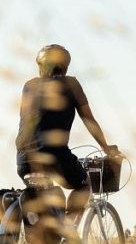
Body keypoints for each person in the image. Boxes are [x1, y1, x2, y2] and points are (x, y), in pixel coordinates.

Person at [15, 44, 118, 223]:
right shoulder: (71, 84)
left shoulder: (29, 86)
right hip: (54, 155)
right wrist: (105, 147)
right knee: (84, 184)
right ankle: (68, 228)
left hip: (23, 159)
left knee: (44, 199)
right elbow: (89, 120)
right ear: (65, 67)